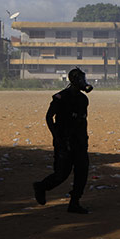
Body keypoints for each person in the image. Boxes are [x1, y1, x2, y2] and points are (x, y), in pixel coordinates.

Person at [33, 67, 93, 214]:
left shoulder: (83, 99)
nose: (83, 82)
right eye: (80, 79)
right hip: (64, 141)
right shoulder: (60, 97)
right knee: (61, 174)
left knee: (82, 172)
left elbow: (82, 121)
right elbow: (49, 117)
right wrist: (56, 136)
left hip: (79, 141)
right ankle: (41, 186)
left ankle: (74, 202)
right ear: (73, 80)